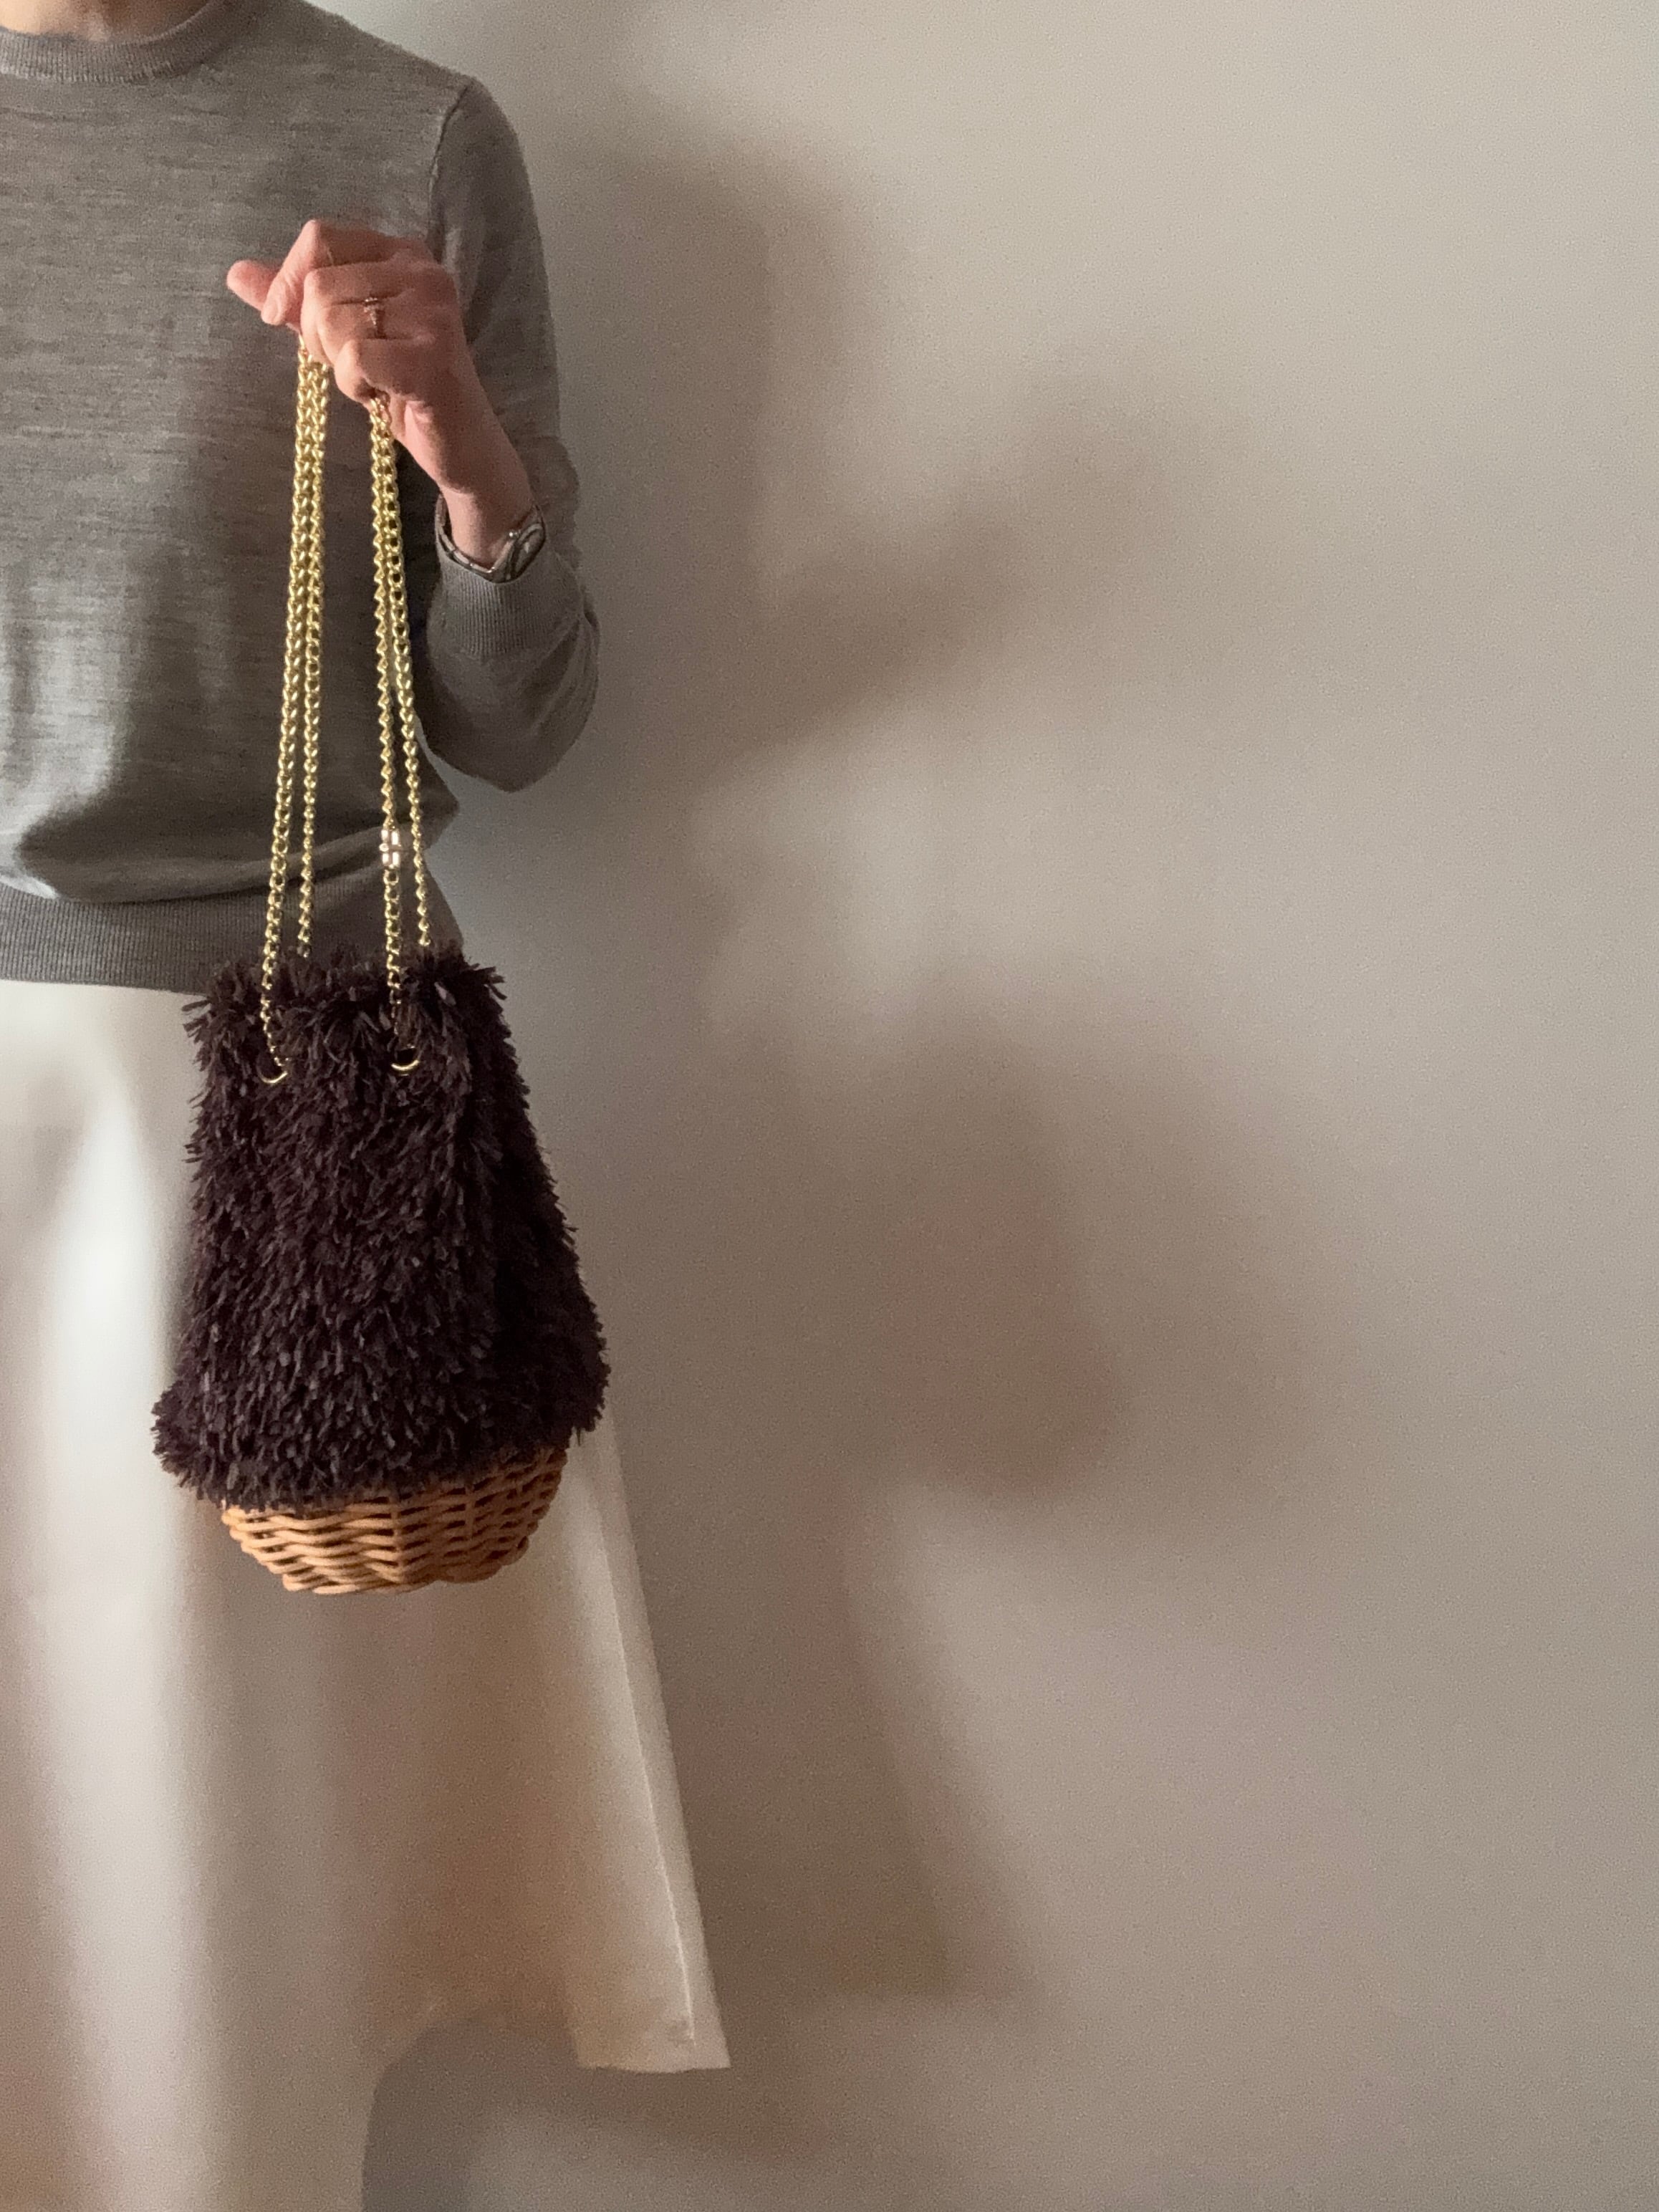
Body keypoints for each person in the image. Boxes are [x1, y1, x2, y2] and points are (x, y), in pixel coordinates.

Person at [0, 1, 727, 2206]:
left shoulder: (399, 134)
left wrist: (464, 457)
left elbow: (519, 722)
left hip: (267, 1126)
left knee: (200, 1887)